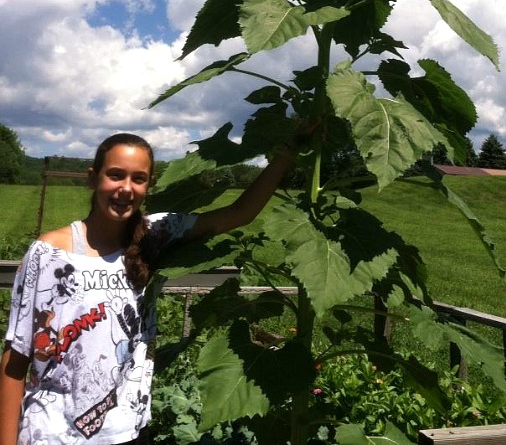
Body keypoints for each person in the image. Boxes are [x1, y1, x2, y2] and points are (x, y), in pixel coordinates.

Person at [0, 129, 307, 445]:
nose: (126, 188)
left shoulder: (155, 234)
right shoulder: (49, 253)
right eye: (115, 175)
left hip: (128, 432)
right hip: (52, 434)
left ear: (149, 184)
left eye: (138, 179)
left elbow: (239, 213)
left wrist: (287, 151)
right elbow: (16, 358)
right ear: (92, 179)